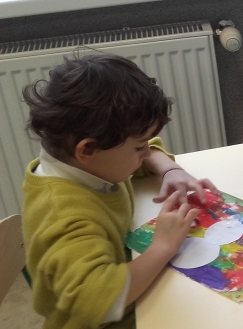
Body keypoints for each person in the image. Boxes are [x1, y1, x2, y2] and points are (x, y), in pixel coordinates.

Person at [21, 53, 218, 329]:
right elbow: (101, 301)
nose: (147, 152)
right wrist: (162, 247)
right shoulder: (65, 218)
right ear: (87, 149)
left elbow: (141, 156)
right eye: (139, 147)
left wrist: (170, 170)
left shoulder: (82, 163)